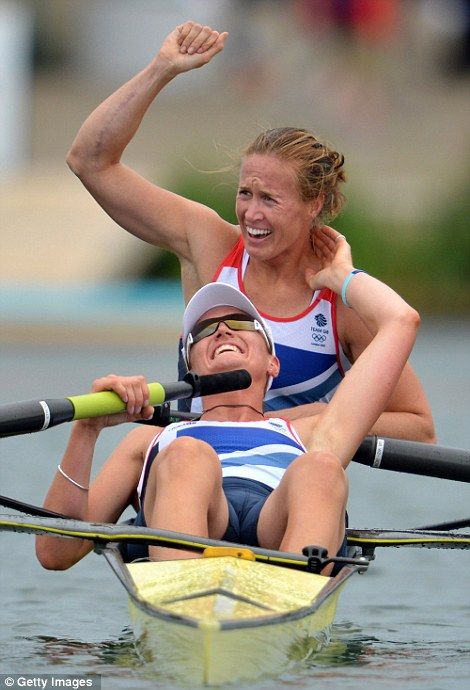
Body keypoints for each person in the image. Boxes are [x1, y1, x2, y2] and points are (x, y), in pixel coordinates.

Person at [65, 21, 435, 442]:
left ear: (314, 205)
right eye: (245, 193)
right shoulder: (209, 242)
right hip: (193, 465)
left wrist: (303, 420)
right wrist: (160, 70)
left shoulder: (340, 304)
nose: (250, 214)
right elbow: (90, 162)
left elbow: (418, 426)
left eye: (270, 200)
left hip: (282, 490)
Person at [36, 229, 420, 574]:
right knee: (188, 454)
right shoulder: (150, 441)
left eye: (240, 324)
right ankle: (186, 601)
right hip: (190, 497)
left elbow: (401, 321)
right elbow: (55, 553)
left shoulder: (312, 425)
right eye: (203, 330)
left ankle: (291, 605)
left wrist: (341, 278)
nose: (221, 329)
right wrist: (87, 429)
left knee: (320, 465)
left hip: (277, 518)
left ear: (273, 363)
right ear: (190, 364)